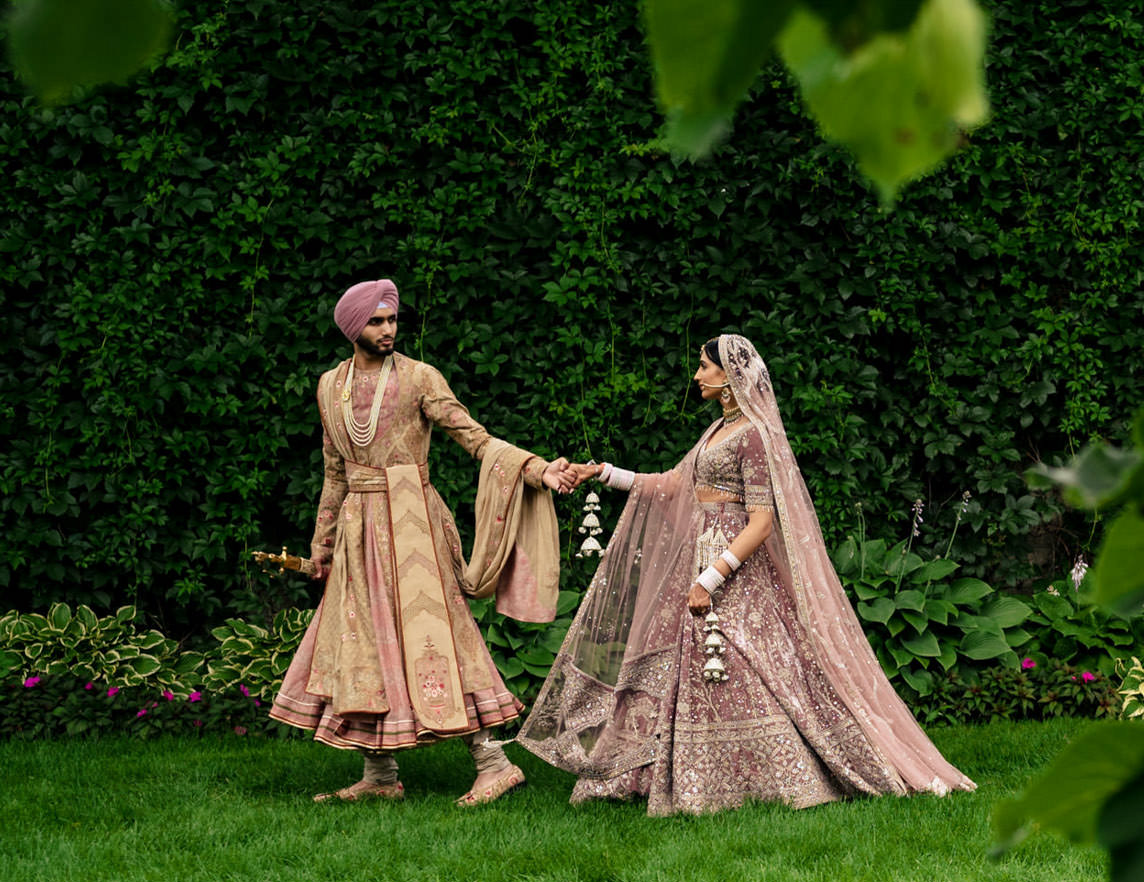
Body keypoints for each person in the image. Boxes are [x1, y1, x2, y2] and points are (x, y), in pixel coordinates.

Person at [516, 334, 973, 814]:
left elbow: (761, 522)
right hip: (702, 558)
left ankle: (771, 777)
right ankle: (682, 777)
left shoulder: (753, 434)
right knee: (691, 660)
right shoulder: (716, 430)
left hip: (733, 571)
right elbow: (674, 485)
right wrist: (603, 472)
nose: (697, 376)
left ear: (729, 377)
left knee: (746, 661)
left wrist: (710, 579)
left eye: (704, 367)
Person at [269, 278, 574, 806]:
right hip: (359, 528)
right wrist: (321, 547)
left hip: (414, 525)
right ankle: (381, 774)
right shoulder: (328, 386)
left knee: (440, 633)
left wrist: (537, 470)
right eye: (376, 321)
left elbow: (473, 437)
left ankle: (494, 763)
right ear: (352, 328)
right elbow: (334, 473)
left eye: (392, 320)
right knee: (362, 638)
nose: (388, 330)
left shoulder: (418, 378)